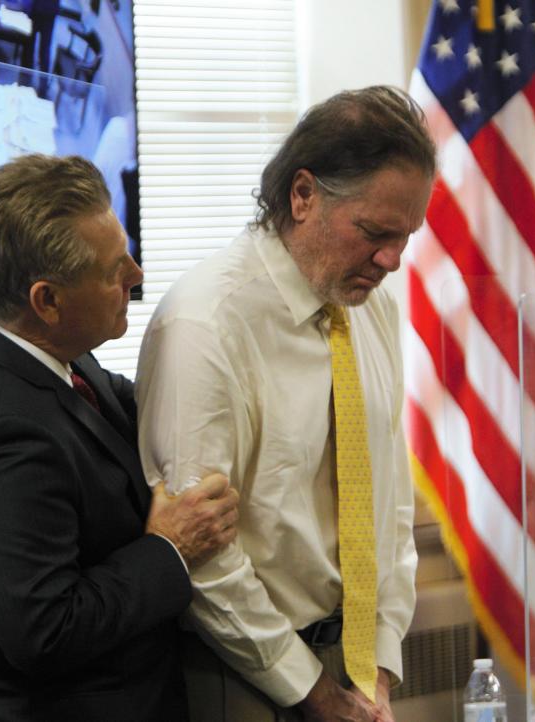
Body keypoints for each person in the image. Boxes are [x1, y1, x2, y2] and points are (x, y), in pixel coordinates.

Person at [135, 86, 436, 722]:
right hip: (242, 671)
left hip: (351, 669)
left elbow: (388, 500)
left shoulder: (367, 305)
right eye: (375, 232)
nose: (391, 260)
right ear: (303, 196)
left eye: (406, 236)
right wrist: (313, 693)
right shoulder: (205, 325)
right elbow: (203, 559)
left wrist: (377, 667)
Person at [0, 154, 239, 722]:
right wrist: (170, 549)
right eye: (113, 270)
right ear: (48, 301)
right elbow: (48, 632)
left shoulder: (41, 350)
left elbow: (127, 408)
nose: (135, 274)